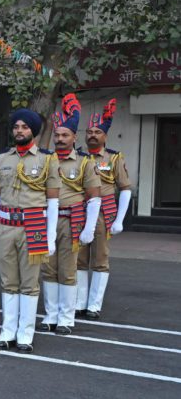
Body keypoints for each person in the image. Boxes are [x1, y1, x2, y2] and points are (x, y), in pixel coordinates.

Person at [0, 108, 60, 352]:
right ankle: (8, 331)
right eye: (16, 127)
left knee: (29, 283)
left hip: (34, 224)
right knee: (8, 281)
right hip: (5, 225)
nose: (19, 131)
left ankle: (26, 333)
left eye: (24, 127)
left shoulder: (47, 160)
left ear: (33, 131)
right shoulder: (0, 160)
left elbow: (53, 202)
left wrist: (50, 237)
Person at [41, 94, 102, 335]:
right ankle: (50, 314)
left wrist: (88, 228)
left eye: (65, 135)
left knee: (67, 268)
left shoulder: (85, 162)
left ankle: (66, 317)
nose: (59, 139)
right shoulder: (46, 160)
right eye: (57, 135)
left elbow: (95, 196)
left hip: (71, 220)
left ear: (74, 137)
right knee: (48, 268)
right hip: (47, 220)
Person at [74, 99, 131, 320]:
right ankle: (79, 302)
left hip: (102, 214)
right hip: (79, 211)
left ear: (105, 135)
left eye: (97, 131)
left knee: (99, 258)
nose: (92, 135)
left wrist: (120, 220)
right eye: (89, 131)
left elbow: (125, 188)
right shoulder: (77, 156)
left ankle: (94, 305)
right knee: (79, 258)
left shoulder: (114, 157)